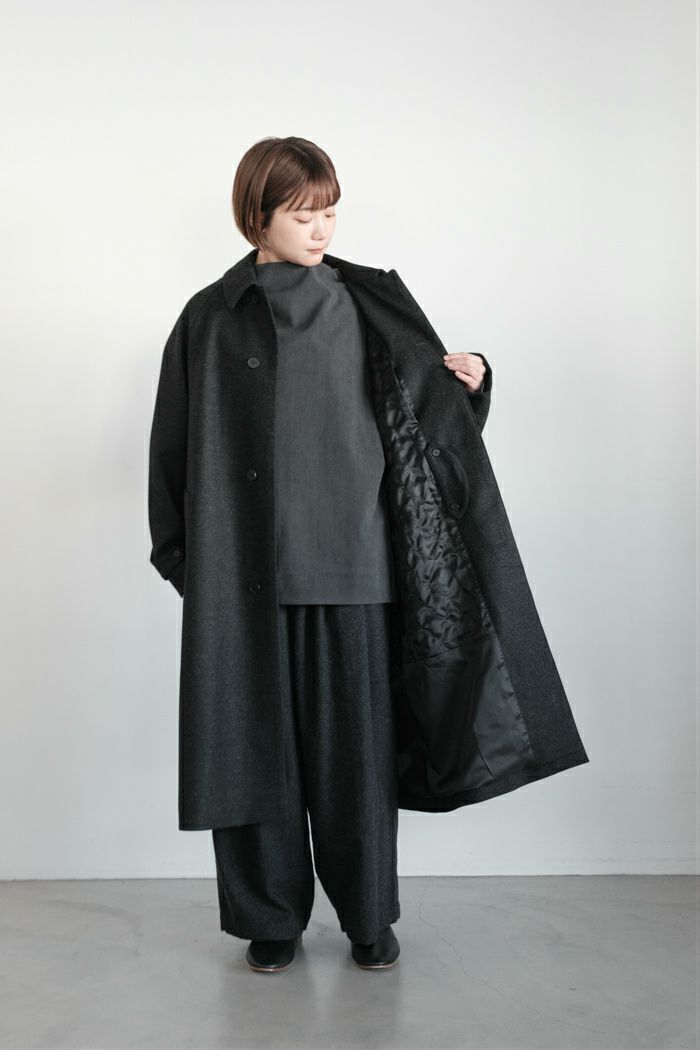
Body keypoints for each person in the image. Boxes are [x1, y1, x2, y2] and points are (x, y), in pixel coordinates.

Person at [148, 136, 588, 974]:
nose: (322, 228)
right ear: (257, 217)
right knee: (255, 761)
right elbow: (172, 450)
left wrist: (472, 383)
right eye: (302, 214)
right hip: (247, 585)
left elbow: (428, 430)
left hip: (359, 571)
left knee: (356, 762)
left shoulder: (369, 302)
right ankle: (271, 919)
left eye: (329, 211)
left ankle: (368, 915)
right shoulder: (211, 317)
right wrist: (188, 567)